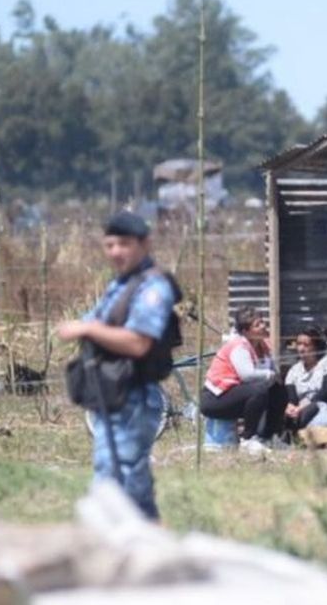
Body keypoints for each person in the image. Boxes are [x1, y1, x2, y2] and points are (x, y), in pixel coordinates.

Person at [56, 210, 179, 521]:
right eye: (109, 245)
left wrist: (88, 330)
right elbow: (96, 320)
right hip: (113, 397)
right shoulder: (122, 285)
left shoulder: (153, 288)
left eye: (124, 244)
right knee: (132, 492)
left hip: (133, 397)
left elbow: (139, 343)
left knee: (113, 486)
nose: (115, 252)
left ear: (145, 243)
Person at [200, 307, 287, 450]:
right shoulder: (239, 346)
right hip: (215, 399)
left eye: (263, 322)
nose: (263, 326)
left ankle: (269, 436)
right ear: (246, 331)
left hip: (237, 395)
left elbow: (274, 371)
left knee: (279, 391)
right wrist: (269, 374)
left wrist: (275, 376)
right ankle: (248, 438)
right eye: (258, 324)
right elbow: (246, 375)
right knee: (259, 389)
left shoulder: (263, 345)